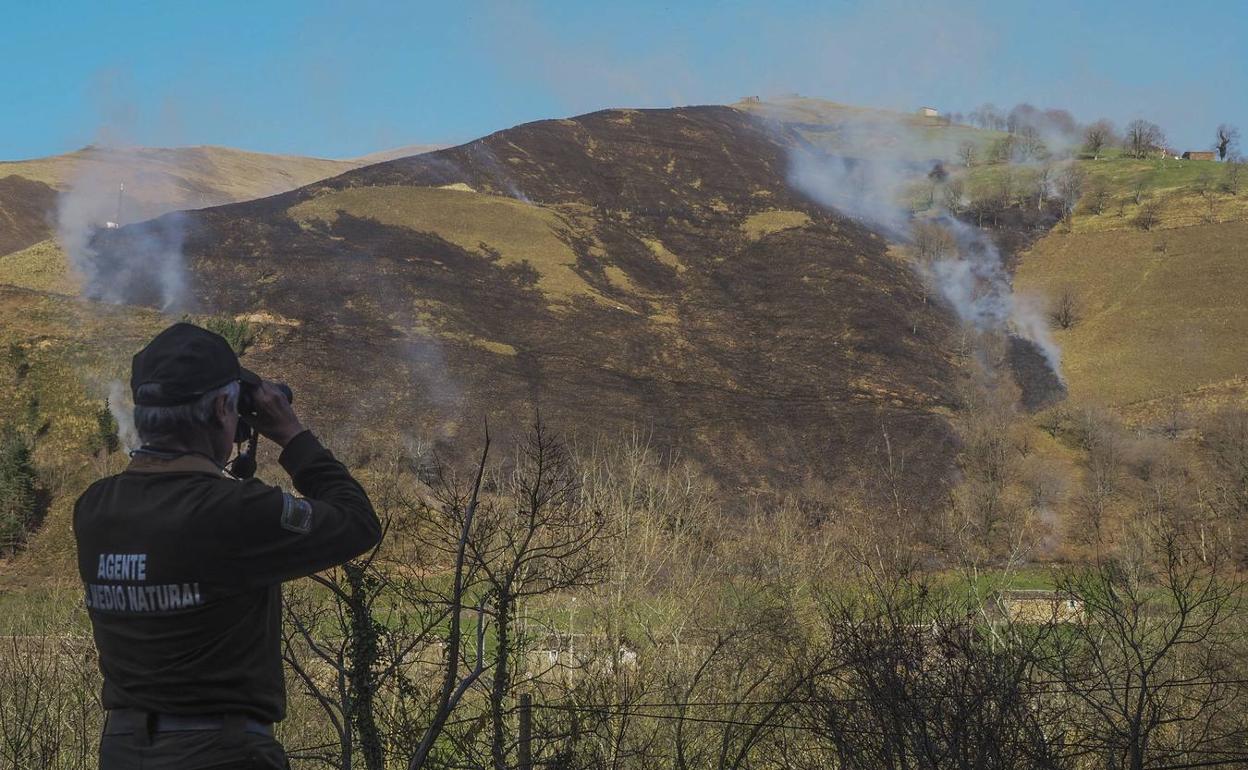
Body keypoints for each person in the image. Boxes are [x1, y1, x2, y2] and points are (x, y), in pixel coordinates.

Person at [74, 322, 382, 769]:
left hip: (123, 749)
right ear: (223, 408)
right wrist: (292, 435)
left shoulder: (94, 509)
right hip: (220, 753)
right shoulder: (232, 512)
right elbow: (357, 522)